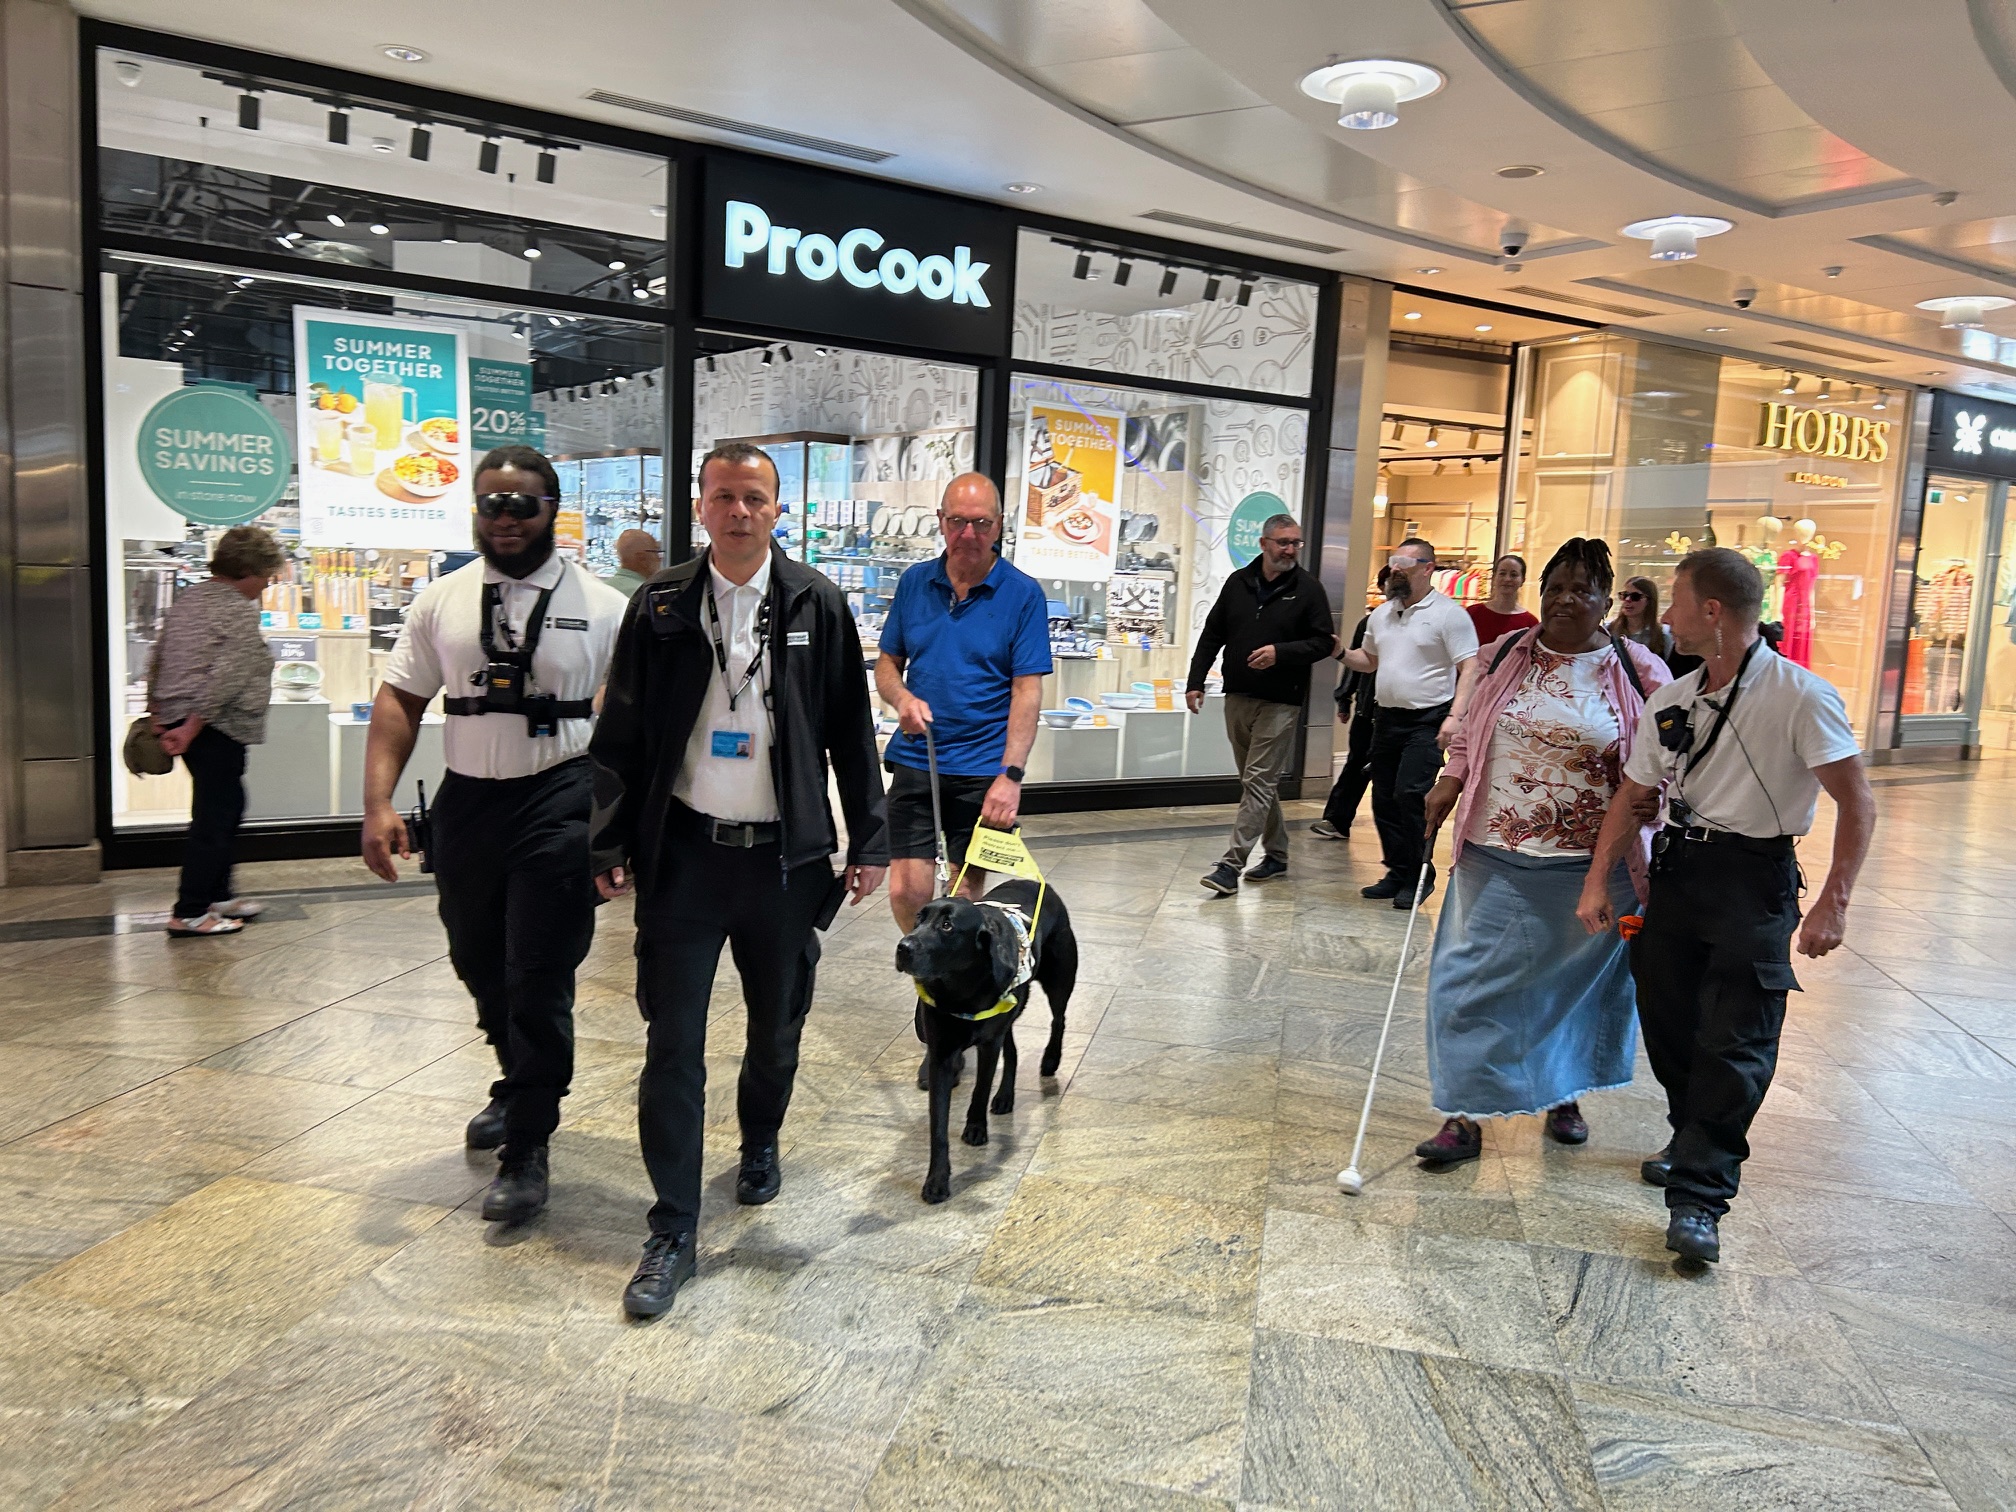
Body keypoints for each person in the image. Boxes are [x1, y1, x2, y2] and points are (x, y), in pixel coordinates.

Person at [591, 442, 887, 1318]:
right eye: (725, 496)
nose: (740, 511)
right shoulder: (660, 604)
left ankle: (760, 1142)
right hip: (683, 859)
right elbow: (624, 734)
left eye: (755, 497)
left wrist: (867, 838)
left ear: (778, 508)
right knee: (672, 1043)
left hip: (782, 863)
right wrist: (607, 838)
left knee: (777, 1030)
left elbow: (848, 731)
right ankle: (672, 1228)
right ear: (701, 505)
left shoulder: (816, 604)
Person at [1576, 546, 1876, 1265]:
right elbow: (1633, 794)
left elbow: (1856, 802)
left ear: (1711, 612)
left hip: (1755, 877)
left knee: (1736, 1037)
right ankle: (1691, 1140)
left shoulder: (1801, 696)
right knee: (1670, 1020)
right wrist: (1597, 878)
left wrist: (1834, 902)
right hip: (1682, 870)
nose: (1667, 616)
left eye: (1677, 603)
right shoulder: (1674, 699)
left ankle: (1700, 1199)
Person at [363, 445, 628, 1228]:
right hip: (468, 802)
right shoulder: (441, 600)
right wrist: (377, 801)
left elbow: (632, 726)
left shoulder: (604, 606)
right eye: (491, 505)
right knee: (477, 960)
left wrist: (619, 834)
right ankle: (517, 1083)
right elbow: (399, 703)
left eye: (522, 505)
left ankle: (528, 1142)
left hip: (561, 796)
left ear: (553, 510)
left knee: (539, 971)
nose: (506, 519)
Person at [1414, 538, 1670, 1164]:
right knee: (1464, 983)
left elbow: (1667, 759)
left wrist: (1654, 798)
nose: (1565, 599)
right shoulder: (1506, 652)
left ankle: (1565, 1094)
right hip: (1494, 850)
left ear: (1607, 601)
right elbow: (1473, 729)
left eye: (1582, 589)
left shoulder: (1640, 669)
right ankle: (1462, 1112)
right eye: (1554, 587)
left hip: (1595, 866)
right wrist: (1451, 778)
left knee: (1572, 991)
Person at [875, 473, 1051, 932]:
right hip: (919, 756)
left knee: (961, 898)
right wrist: (902, 697)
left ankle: (946, 997)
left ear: (999, 526)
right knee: (906, 892)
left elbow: (1027, 691)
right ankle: (930, 977)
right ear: (940, 521)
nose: (969, 535)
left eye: (981, 523)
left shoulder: (1024, 593)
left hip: (982, 769)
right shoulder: (915, 583)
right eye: (958, 522)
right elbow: (887, 664)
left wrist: (1010, 776)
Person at [148, 525, 288, 936]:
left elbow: (157, 657)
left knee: (224, 806)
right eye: (266, 575)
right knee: (215, 815)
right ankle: (190, 910)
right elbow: (224, 678)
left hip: (184, 719)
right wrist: (191, 728)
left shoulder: (190, 599)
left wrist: (159, 715)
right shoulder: (237, 609)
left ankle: (218, 894)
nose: (266, 585)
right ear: (248, 570)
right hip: (214, 727)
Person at [1185, 514, 1335, 894]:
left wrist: (1279, 654)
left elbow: (1322, 643)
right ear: (1264, 543)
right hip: (1238, 695)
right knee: (1257, 784)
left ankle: (1230, 866)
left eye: (1295, 543)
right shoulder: (1239, 583)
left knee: (1258, 781)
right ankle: (1278, 854)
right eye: (1283, 542)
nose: (1290, 550)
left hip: (1281, 702)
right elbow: (1212, 633)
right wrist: (1195, 680)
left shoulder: (1309, 589)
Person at [1343, 539, 1480, 907]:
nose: (1395, 569)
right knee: (1383, 800)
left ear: (1427, 568)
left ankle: (1421, 876)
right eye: (1393, 562)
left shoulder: (1450, 614)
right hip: (1386, 718)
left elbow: (1470, 666)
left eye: (1404, 563)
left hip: (1428, 720)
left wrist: (1455, 716)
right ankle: (1398, 871)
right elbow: (1368, 660)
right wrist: (1339, 651)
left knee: (1410, 794)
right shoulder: (1381, 614)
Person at [1310, 567, 1387, 844]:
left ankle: (1399, 842)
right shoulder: (1370, 623)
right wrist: (1345, 698)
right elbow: (1356, 663)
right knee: (1356, 764)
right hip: (1368, 709)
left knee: (1392, 779)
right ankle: (1337, 820)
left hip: (1400, 716)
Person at [1466, 554, 1539, 645]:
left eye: (1513, 575)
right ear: (1494, 577)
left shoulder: (1530, 623)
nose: (1507, 579)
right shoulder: (1473, 613)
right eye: (1502, 573)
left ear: (1522, 580)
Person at [1610, 575, 1676, 669]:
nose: (1628, 600)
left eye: (1635, 597)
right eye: (1624, 595)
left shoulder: (1664, 635)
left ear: (1649, 601)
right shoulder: (1609, 630)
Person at [603, 528, 662, 599]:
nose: (659, 558)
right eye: (656, 552)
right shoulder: (647, 595)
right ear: (642, 558)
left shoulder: (603, 588)